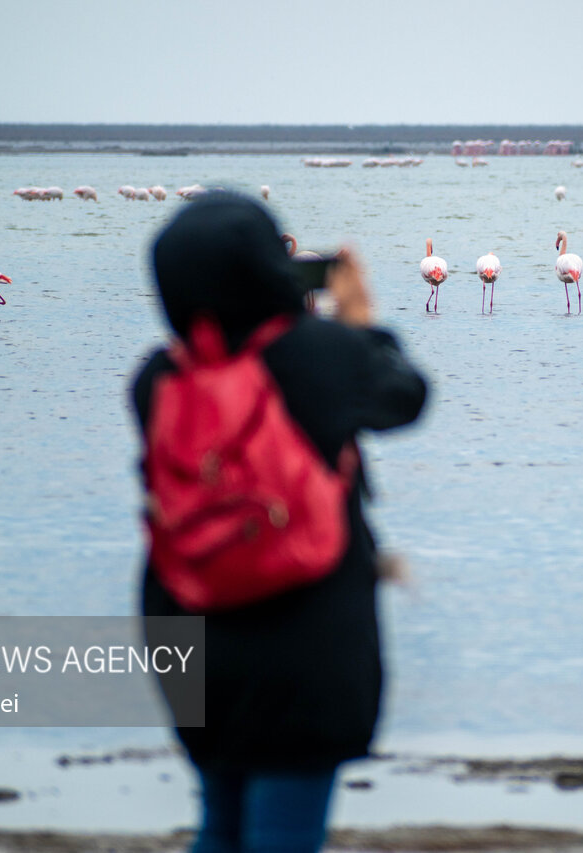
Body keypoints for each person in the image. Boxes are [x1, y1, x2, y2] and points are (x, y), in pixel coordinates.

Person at [131, 192, 428, 853]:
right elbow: (405, 395)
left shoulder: (156, 379)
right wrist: (358, 320)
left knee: (219, 824)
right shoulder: (321, 356)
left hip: (188, 632)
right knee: (283, 837)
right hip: (304, 638)